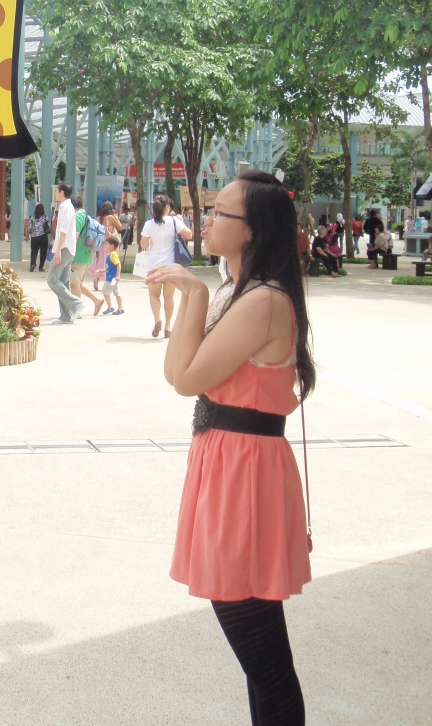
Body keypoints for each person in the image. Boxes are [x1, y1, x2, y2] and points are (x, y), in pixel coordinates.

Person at [147, 170, 313, 726]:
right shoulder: (236, 291)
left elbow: (188, 379)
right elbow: (177, 372)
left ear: (251, 230)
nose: (208, 219)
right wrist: (196, 295)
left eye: (220, 212)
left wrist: (192, 292)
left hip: (245, 472)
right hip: (230, 462)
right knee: (260, 657)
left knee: (262, 656)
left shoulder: (263, 300)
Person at [140, 194, 193, 337]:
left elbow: (143, 245)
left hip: (154, 266)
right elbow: (189, 235)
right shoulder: (174, 221)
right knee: (169, 296)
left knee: (154, 295)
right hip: (171, 266)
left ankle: (157, 319)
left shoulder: (149, 224)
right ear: (167, 207)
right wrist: (181, 222)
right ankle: (168, 326)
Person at [46, 182, 84, 323]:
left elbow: (63, 230)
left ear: (62, 192)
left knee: (52, 280)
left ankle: (76, 303)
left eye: (57, 190)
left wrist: (58, 251)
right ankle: (66, 316)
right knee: (63, 282)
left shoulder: (65, 207)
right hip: (68, 248)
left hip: (64, 248)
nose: (55, 193)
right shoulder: (68, 207)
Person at [70, 196, 103, 316]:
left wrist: (68, 253)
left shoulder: (77, 217)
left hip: (78, 256)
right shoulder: (86, 216)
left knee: (74, 285)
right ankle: (97, 301)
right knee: (78, 283)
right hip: (87, 256)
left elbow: (75, 236)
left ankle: (77, 311)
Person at [88, 201, 123, 290]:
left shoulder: (98, 218)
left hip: (101, 244)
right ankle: (111, 282)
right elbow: (120, 228)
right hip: (111, 243)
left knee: (100, 262)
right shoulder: (111, 217)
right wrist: (116, 217)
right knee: (112, 262)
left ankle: (97, 278)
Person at [100, 235, 124, 315]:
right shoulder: (111, 254)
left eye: (107, 244)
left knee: (105, 292)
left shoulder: (113, 254)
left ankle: (110, 307)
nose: (105, 246)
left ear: (112, 246)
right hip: (112, 278)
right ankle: (120, 308)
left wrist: (118, 275)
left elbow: (118, 264)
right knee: (117, 293)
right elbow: (111, 266)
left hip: (111, 278)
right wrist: (104, 270)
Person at [27, 203, 51, 272]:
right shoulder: (45, 217)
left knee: (34, 252)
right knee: (43, 252)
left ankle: (33, 263)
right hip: (43, 237)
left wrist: (30, 233)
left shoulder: (32, 217)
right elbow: (49, 226)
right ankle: (41, 267)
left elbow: (29, 228)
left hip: (34, 237)